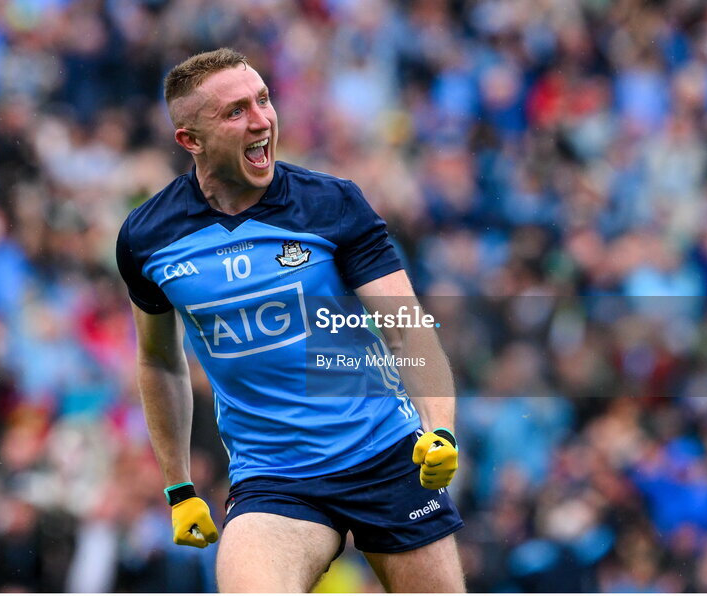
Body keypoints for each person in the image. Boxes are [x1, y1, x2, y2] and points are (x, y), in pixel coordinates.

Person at [116, 48, 464, 592]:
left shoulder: (332, 204)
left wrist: (439, 427)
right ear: (190, 140)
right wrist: (179, 488)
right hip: (275, 479)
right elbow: (159, 360)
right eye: (235, 111)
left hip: (388, 454)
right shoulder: (148, 237)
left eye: (263, 99)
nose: (261, 119)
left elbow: (406, 327)